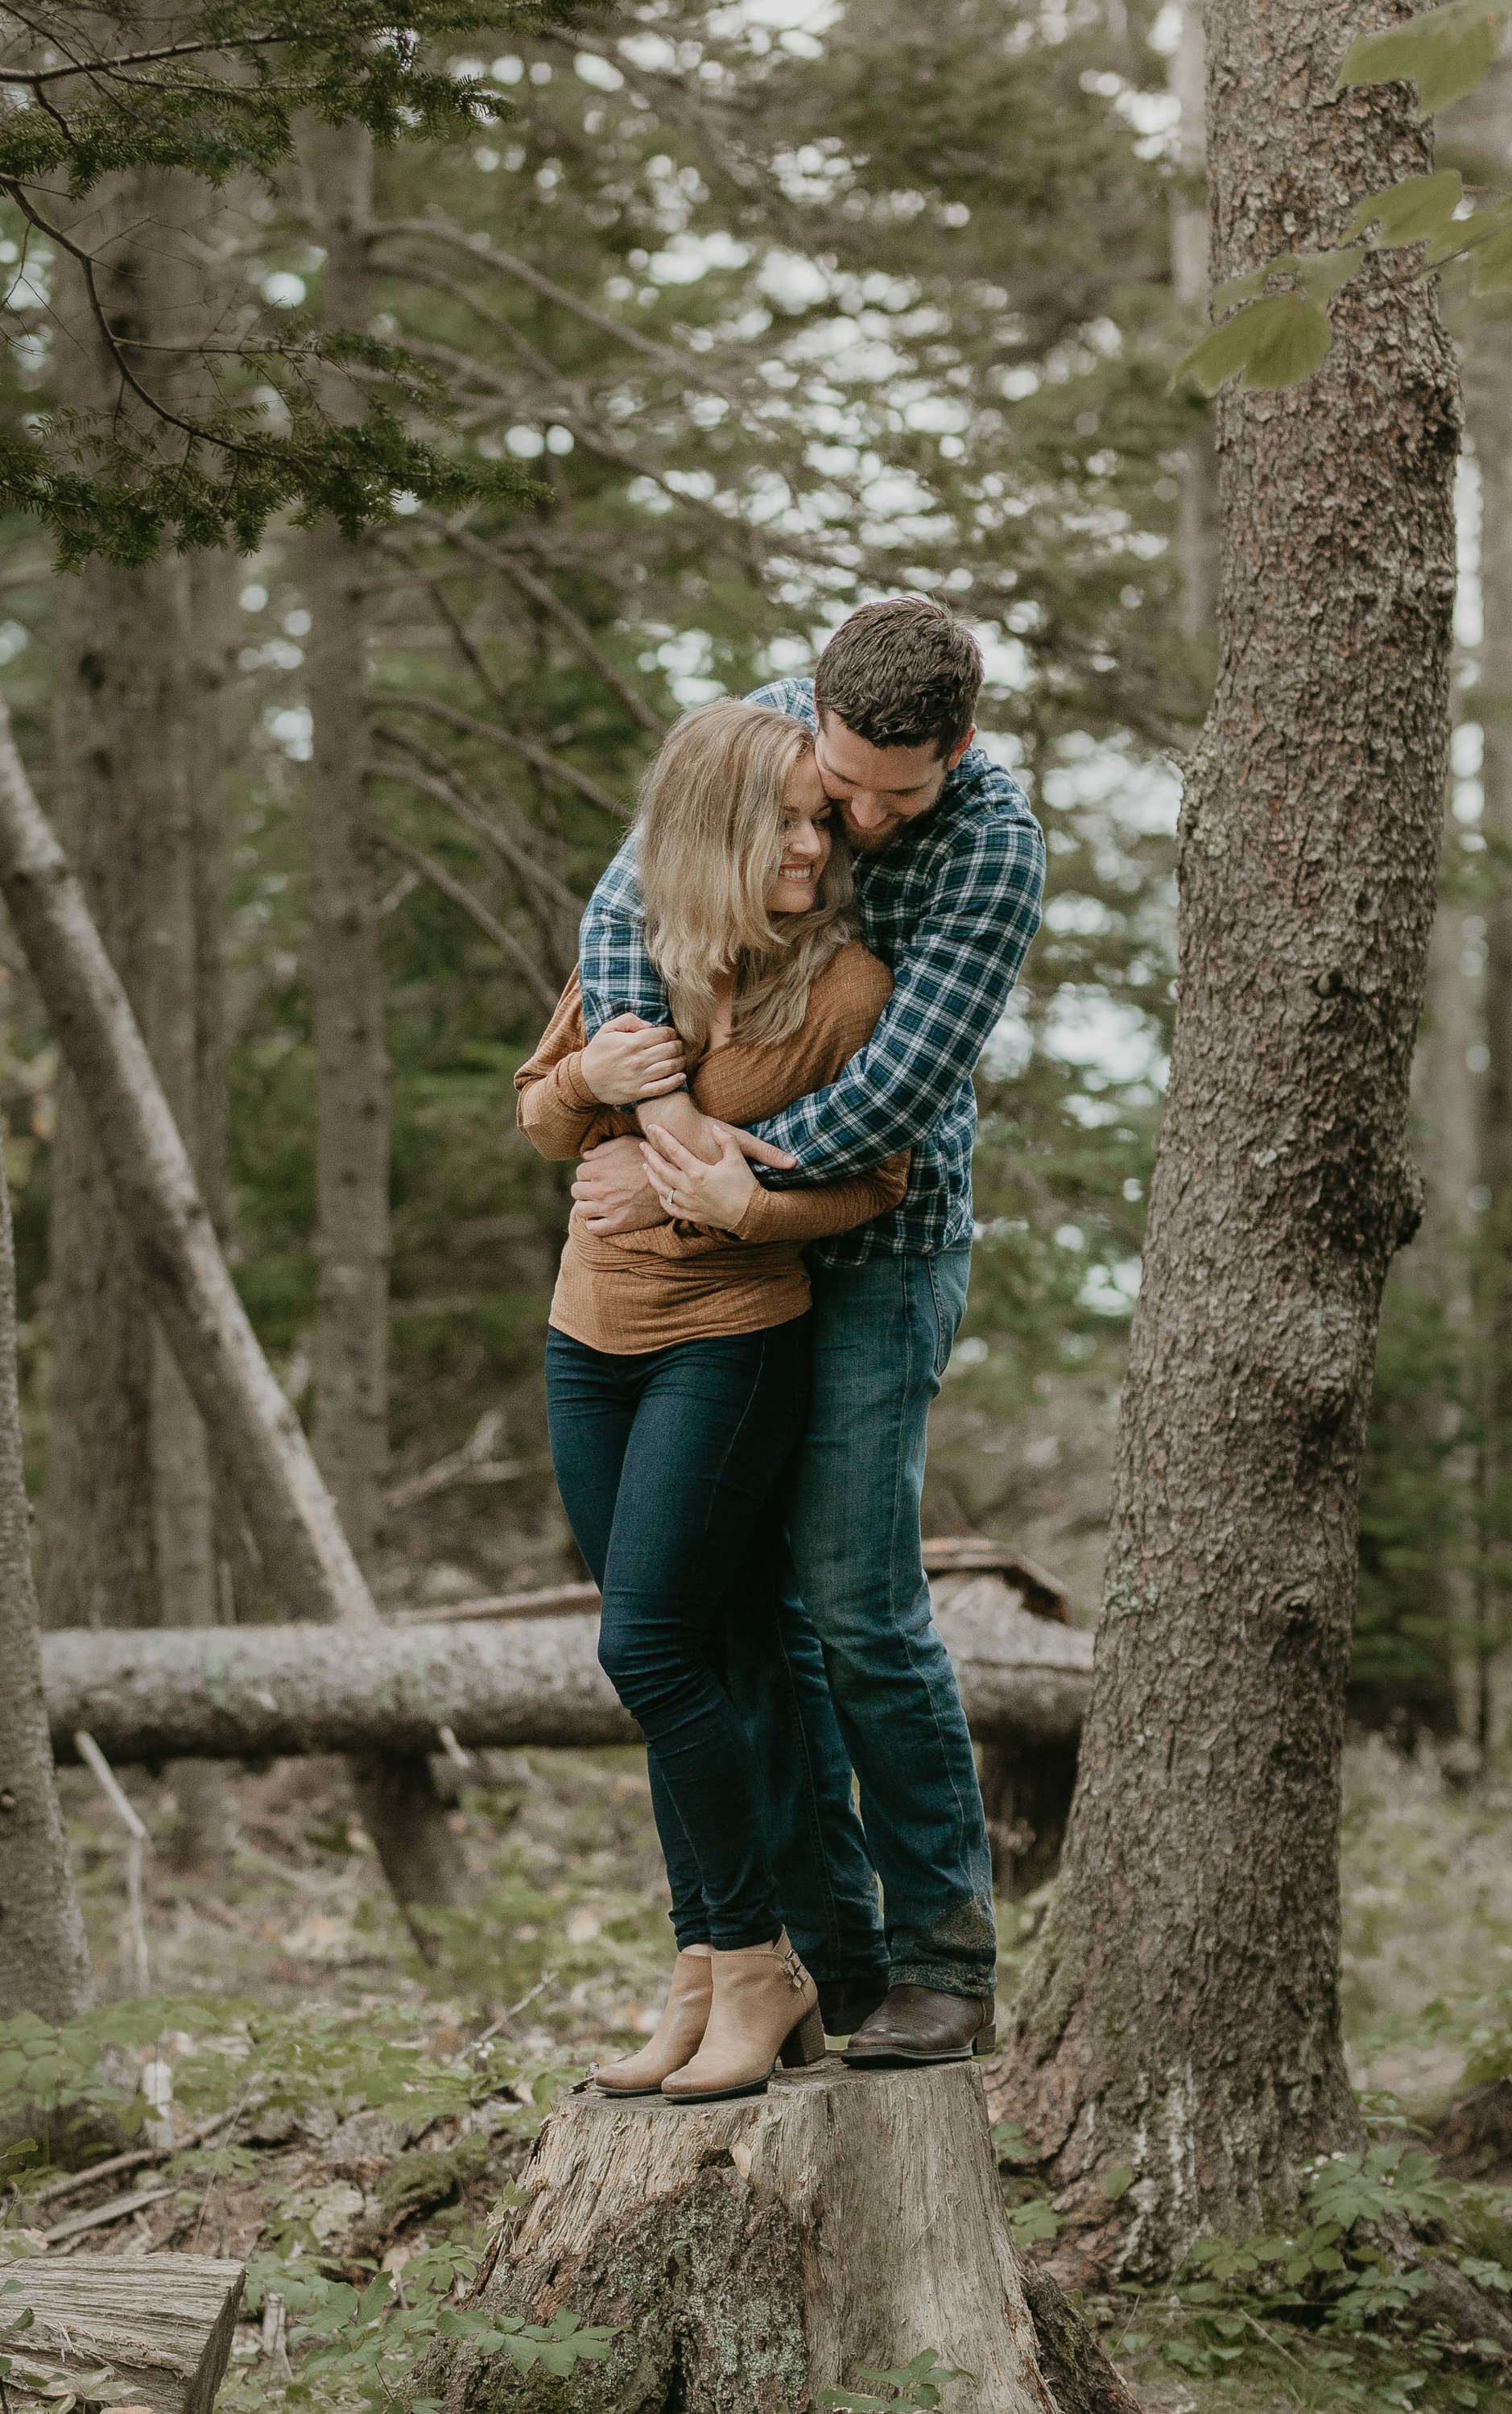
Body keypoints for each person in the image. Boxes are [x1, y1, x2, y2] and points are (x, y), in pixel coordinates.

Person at [572, 595, 1046, 2067]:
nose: (851, 817)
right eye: (839, 784)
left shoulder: (992, 842)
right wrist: (657, 1115)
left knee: (854, 1599)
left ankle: (945, 1965)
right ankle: (822, 1960)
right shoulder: (777, 731)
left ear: (956, 749)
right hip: (714, 1249)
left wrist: (731, 1171)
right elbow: (616, 915)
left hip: (881, 1251)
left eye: (887, 795)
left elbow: (904, 1085)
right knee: (741, 1618)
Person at [514, 700, 914, 2104]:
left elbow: (877, 1182)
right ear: (712, 832)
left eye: (824, 821)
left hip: (732, 1341)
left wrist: (738, 1206)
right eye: (790, 821)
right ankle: (700, 1968)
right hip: (587, 1333)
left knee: (649, 1647)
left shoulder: (852, 989)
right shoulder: (640, 966)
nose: (817, 844)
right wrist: (587, 1080)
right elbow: (538, 1115)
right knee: (679, 1652)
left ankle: (762, 1958)